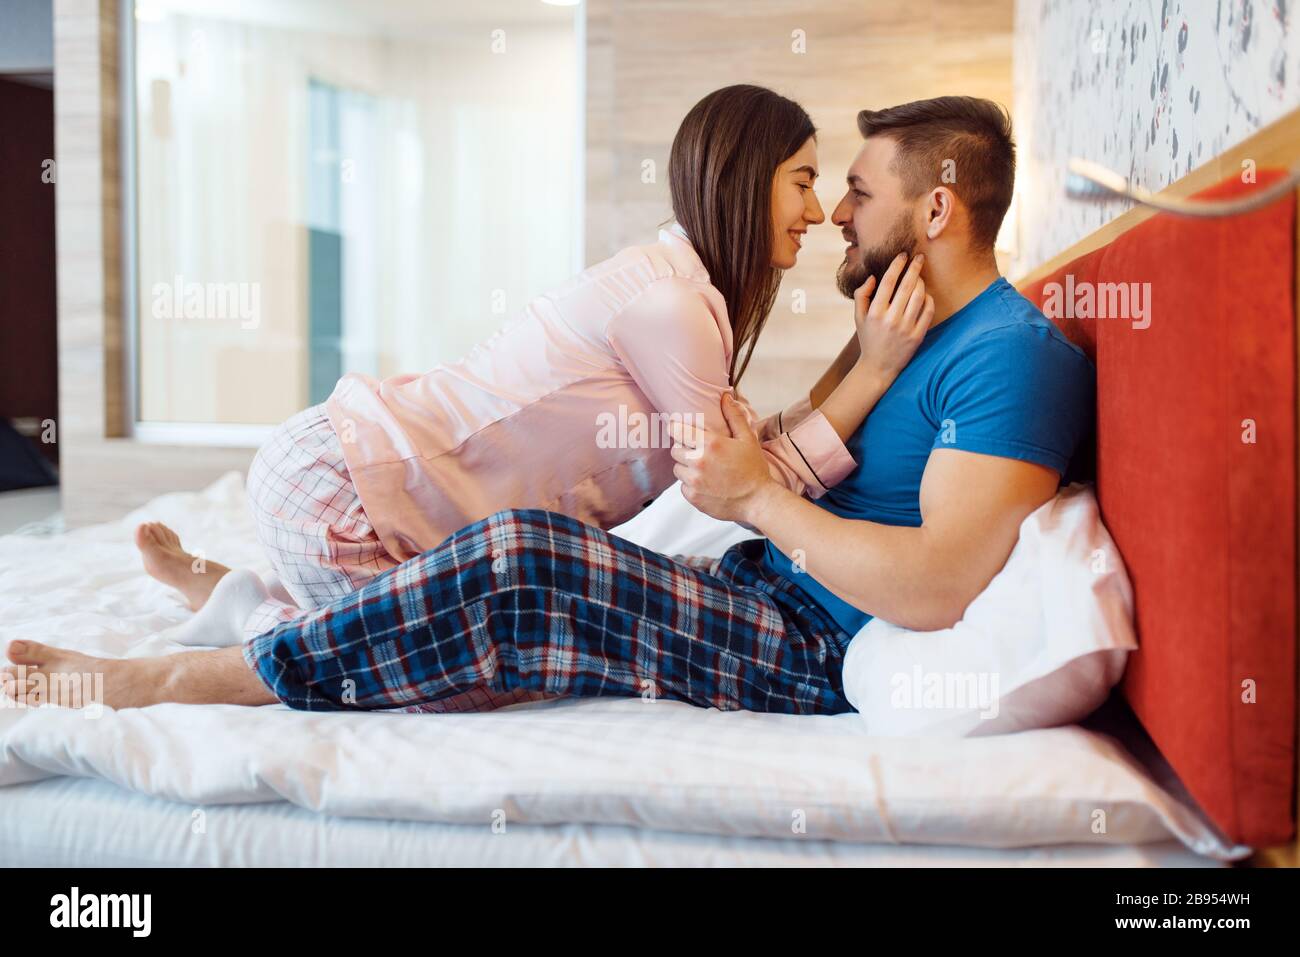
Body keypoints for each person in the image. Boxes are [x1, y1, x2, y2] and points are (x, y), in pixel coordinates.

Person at [2, 96, 1094, 717]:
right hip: (766, 584)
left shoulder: (1010, 354)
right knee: (489, 605)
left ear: (936, 206)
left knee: (524, 559)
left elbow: (939, 581)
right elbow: (760, 458)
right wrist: (852, 377)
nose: (835, 216)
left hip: (808, 639)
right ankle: (246, 620)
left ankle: (172, 675)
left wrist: (761, 500)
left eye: (856, 191)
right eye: (821, 186)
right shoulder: (903, 333)